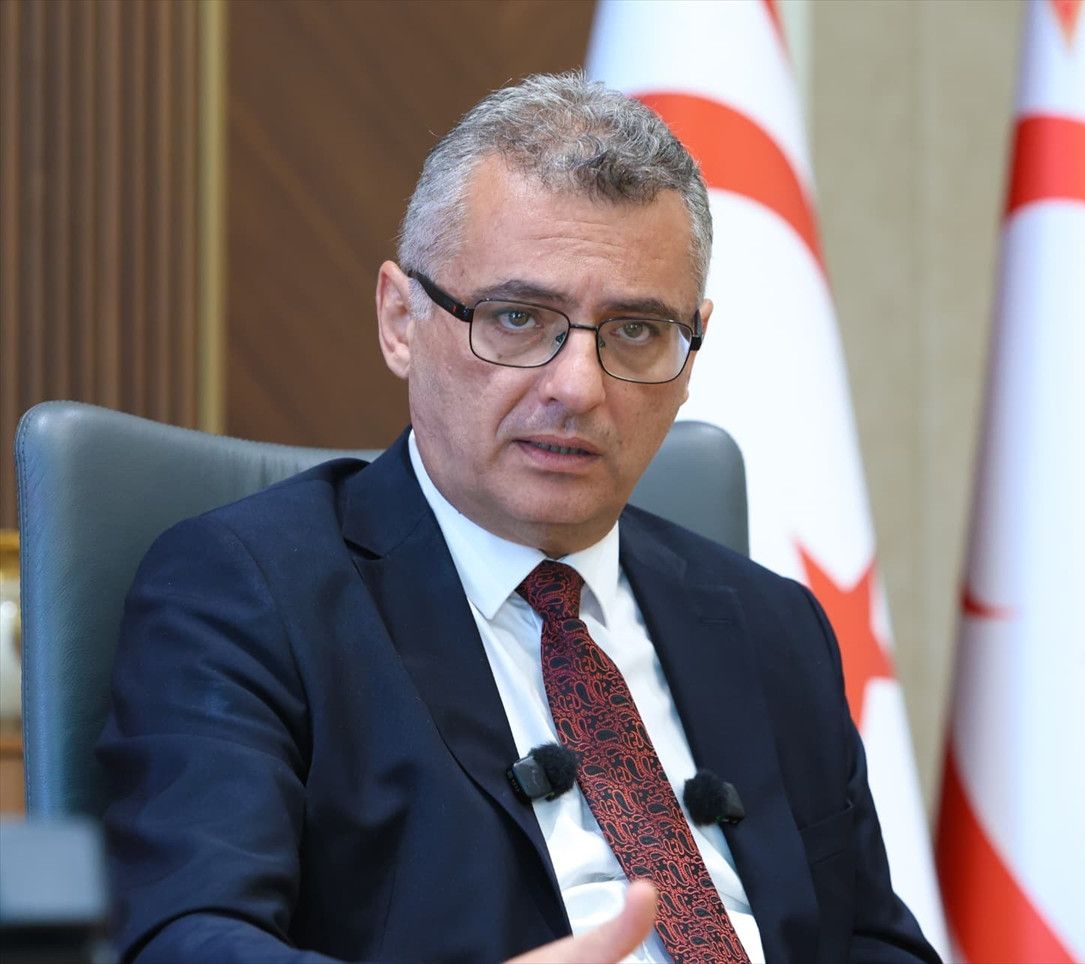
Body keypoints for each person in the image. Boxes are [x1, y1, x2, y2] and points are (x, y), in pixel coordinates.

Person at [98, 72, 939, 964]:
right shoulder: (245, 595)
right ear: (400, 320)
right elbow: (191, 939)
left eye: (636, 331)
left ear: (692, 353)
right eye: (516, 317)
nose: (577, 387)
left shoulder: (772, 627)